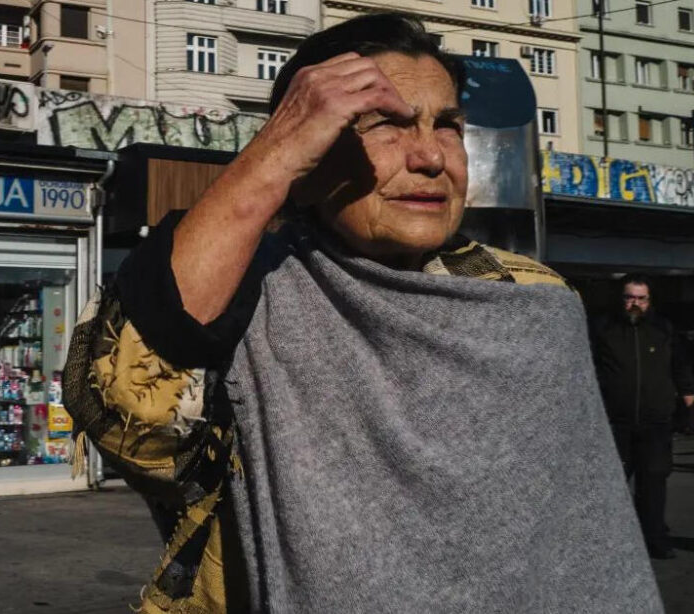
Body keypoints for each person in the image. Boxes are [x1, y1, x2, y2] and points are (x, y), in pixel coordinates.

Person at [64, 13, 661, 613]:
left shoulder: (533, 301)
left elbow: (586, 537)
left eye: (448, 126)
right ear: (308, 149)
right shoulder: (242, 292)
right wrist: (271, 156)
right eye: (387, 125)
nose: (430, 156)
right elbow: (132, 425)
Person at [591, 274, 694, 560]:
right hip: (614, 422)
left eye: (641, 298)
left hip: (656, 423)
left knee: (653, 483)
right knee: (610, 484)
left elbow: (680, 367)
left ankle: (655, 539)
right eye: (629, 297)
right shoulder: (603, 328)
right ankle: (607, 542)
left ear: (650, 301)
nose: (634, 303)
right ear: (621, 299)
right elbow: (586, 367)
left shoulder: (664, 329)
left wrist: (689, 404)